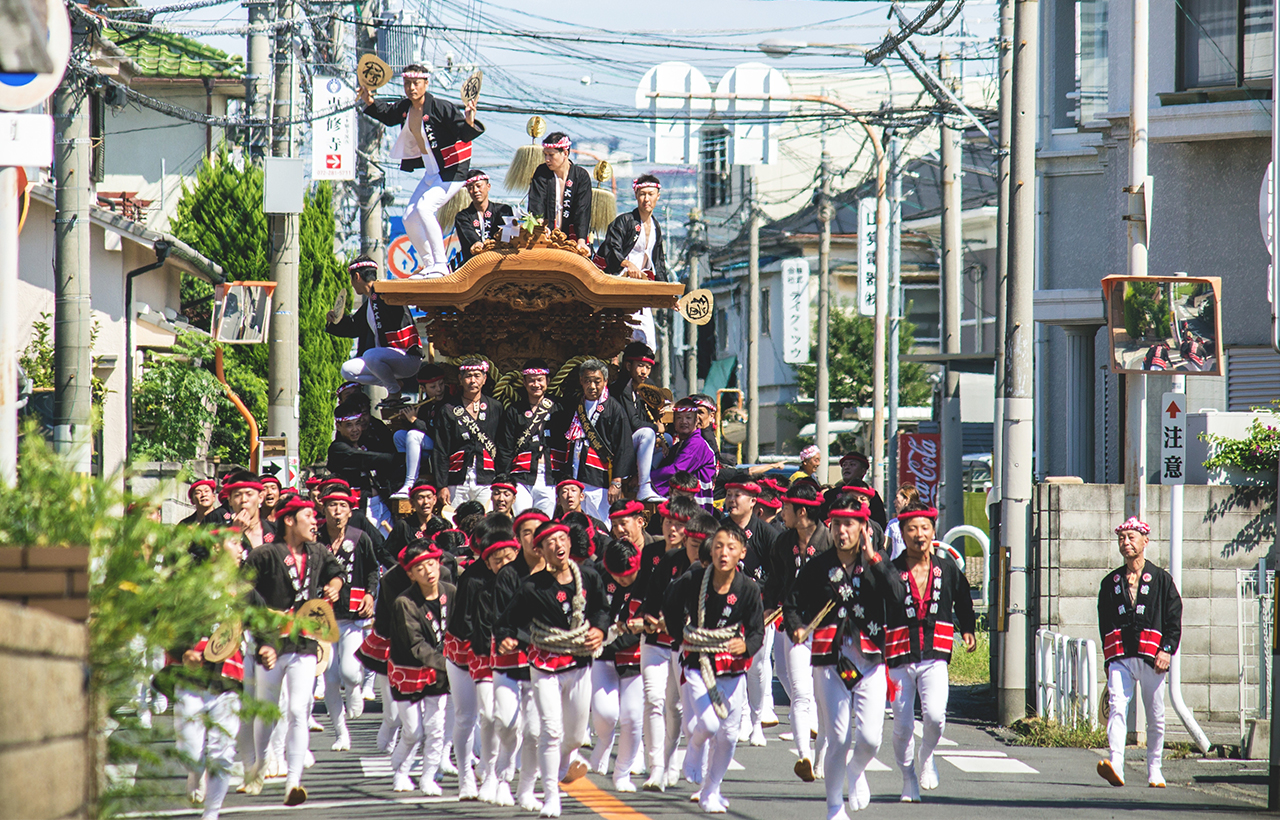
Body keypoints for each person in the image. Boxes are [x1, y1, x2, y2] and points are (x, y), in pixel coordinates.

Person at [495, 521, 611, 818]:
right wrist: (508, 639)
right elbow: (507, 622)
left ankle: (558, 769)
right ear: (540, 550)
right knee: (550, 730)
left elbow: (600, 609)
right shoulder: (532, 587)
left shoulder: (589, 576)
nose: (558, 545)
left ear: (570, 544)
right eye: (550, 542)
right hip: (544, 664)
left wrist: (598, 629)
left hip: (580, 663)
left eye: (563, 539)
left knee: (573, 737)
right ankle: (550, 795)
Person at [786, 493, 886, 819]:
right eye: (837, 524)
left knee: (870, 738)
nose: (842, 531)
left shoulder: (878, 565)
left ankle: (857, 770)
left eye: (849, 524)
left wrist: (874, 560)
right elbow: (793, 602)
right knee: (838, 738)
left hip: (870, 659)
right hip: (830, 659)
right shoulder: (818, 567)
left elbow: (895, 597)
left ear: (863, 527)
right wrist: (798, 627)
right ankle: (833, 807)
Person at [241, 497, 345, 806]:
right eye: (309, 516)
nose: (316, 521)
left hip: (303, 642)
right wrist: (263, 641)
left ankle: (294, 782)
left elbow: (335, 571)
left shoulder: (318, 552)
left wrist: (335, 586)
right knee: (268, 711)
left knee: (299, 710)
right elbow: (243, 592)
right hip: (270, 642)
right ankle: (259, 766)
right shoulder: (265, 555)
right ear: (289, 520)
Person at [872, 504, 976, 803]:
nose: (919, 535)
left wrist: (967, 627)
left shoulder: (947, 568)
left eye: (925, 528)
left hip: (936, 652)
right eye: (912, 529)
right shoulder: (890, 571)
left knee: (935, 717)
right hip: (898, 656)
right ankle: (907, 779)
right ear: (902, 535)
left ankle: (927, 756)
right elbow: (875, 608)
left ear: (934, 531)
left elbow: (964, 599)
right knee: (902, 725)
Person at [663, 522, 765, 814]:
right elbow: (670, 602)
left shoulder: (748, 587)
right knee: (706, 724)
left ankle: (711, 789)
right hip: (696, 661)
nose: (723, 553)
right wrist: (679, 633)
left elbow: (757, 630)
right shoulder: (694, 578)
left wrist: (745, 646)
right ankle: (693, 749)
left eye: (731, 547)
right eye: (718, 546)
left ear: (741, 552)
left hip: (731, 666)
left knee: (729, 735)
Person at [358, 64, 484, 278]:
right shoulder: (406, 107)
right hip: (433, 172)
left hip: (453, 171)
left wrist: (470, 119)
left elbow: (462, 131)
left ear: (426, 83)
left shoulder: (440, 107)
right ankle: (429, 264)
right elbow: (388, 115)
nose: (411, 88)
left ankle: (441, 264)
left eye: (416, 83)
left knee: (425, 208)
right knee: (408, 216)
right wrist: (369, 101)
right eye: (407, 83)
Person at [156, 540, 246, 820]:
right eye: (234, 544)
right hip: (191, 679)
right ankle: (195, 772)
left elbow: (262, 622)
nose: (241, 551)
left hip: (228, 679)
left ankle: (212, 813)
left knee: (223, 752)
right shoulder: (184, 590)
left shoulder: (244, 591)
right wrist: (182, 652)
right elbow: (165, 624)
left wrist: (269, 645)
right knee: (191, 752)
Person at [1096, 516, 1182, 789]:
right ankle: (1116, 764)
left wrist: (1167, 649)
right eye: (1122, 538)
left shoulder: (1160, 579)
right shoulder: (1111, 582)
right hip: (1121, 655)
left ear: (1145, 541)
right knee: (1117, 708)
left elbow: (1173, 617)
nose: (1126, 543)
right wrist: (1108, 659)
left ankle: (1154, 769)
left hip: (1152, 657)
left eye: (1131, 537)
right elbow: (1105, 622)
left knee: (1155, 714)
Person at [636, 495, 702, 791]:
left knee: (675, 706)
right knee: (653, 700)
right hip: (652, 639)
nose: (672, 528)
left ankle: (672, 758)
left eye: (679, 524)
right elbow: (644, 593)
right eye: (667, 522)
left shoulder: (697, 561)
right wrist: (644, 616)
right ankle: (656, 766)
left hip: (680, 642)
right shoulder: (653, 554)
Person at [491, 509, 551, 812]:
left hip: (543, 666)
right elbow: (500, 619)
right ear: (518, 538)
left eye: (540, 530)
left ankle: (527, 788)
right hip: (509, 663)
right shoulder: (508, 574)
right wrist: (511, 636)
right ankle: (502, 776)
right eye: (527, 531)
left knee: (535, 731)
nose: (534, 537)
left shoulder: (558, 573)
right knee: (506, 723)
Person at [316, 490, 380, 751]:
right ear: (324, 509)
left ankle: (355, 689)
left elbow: (374, 570)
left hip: (352, 616)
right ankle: (341, 733)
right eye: (332, 505)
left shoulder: (360, 538)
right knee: (330, 678)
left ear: (350, 511)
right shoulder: (314, 539)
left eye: (343, 506)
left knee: (350, 672)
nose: (337, 511)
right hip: (321, 620)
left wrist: (370, 595)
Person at [387, 539, 453, 793]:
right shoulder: (404, 603)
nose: (428, 570)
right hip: (409, 671)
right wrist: (449, 662)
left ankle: (428, 777)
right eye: (420, 566)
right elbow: (415, 644)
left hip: (439, 671)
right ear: (410, 574)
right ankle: (401, 771)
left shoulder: (450, 592)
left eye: (431, 563)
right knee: (413, 730)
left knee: (436, 728)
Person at [720, 478, 780, 744]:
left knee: (756, 666)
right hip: (727, 609)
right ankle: (741, 716)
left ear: (754, 502)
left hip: (761, 608)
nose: (731, 499)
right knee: (734, 665)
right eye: (729, 494)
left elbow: (779, 572)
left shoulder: (767, 534)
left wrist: (768, 602)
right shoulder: (721, 530)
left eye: (738, 495)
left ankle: (757, 720)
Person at [590, 535, 648, 792]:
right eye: (618, 576)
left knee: (633, 716)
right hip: (603, 654)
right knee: (606, 713)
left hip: (634, 656)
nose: (623, 580)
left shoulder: (649, 580)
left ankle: (622, 773)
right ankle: (603, 742)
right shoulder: (600, 578)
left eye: (628, 575)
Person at [326, 256, 424, 397]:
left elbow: (400, 287)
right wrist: (334, 321)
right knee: (347, 370)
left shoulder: (385, 292)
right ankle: (395, 384)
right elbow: (354, 326)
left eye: (351, 279)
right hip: (385, 360)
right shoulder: (370, 303)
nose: (352, 284)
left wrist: (414, 278)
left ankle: (394, 391)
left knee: (370, 355)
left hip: (407, 357)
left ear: (357, 277)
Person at [551, 360, 635, 522]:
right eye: (588, 381)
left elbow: (623, 447)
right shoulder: (575, 405)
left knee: (600, 522)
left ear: (605, 381)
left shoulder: (614, 409)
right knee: (574, 522)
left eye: (597, 381)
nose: (592, 386)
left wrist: (616, 482)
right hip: (575, 475)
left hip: (599, 478)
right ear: (581, 381)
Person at [595, 175, 668, 348]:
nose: (646, 199)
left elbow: (659, 261)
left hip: (641, 287)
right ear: (636, 195)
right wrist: (628, 264)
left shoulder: (656, 226)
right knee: (618, 339)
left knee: (648, 343)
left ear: (658, 195)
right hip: (620, 283)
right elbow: (612, 248)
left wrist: (666, 292)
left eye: (651, 194)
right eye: (642, 194)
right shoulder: (625, 221)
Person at [433, 357, 501, 509]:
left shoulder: (495, 407)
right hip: (457, 478)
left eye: (477, 376)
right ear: (460, 379)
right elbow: (441, 450)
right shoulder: (448, 409)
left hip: (487, 477)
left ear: (484, 379)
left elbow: (502, 445)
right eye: (468, 376)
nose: (472, 381)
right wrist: (442, 485)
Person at [326, 401, 401, 532]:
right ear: (338, 426)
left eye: (358, 424)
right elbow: (370, 459)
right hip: (357, 507)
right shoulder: (338, 449)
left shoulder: (366, 443)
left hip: (380, 504)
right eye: (349, 425)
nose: (355, 429)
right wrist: (403, 458)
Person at [501, 359, 562, 516]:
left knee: (545, 522)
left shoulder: (559, 409)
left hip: (549, 477)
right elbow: (506, 447)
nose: (536, 384)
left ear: (548, 381)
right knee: (523, 519)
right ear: (524, 382)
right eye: (531, 381)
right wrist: (505, 478)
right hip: (520, 476)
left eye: (540, 380)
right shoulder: (514, 410)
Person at [608, 342, 664, 503]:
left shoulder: (646, 386)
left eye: (648, 367)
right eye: (640, 366)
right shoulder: (621, 388)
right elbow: (634, 424)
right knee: (647, 433)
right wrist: (655, 427)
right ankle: (644, 486)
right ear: (627, 365)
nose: (644, 371)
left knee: (666, 439)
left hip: (635, 446)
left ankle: (639, 476)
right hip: (620, 446)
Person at [527, 132, 592, 248]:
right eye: (545, 155)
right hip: (545, 236)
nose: (547, 159)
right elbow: (537, 203)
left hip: (571, 238)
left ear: (565, 153)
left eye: (551, 155)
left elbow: (583, 210)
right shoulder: (541, 173)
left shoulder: (581, 176)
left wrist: (581, 241)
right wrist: (540, 226)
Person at [651, 398, 717, 509]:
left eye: (688, 418)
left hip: (695, 509)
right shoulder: (679, 445)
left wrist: (645, 479)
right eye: (679, 418)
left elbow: (676, 470)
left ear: (696, 421)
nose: (683, 422)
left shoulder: (697, 443)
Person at [454, 169, 515, 266]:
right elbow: (470, 239)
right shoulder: (462, 216)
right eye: (470, 187)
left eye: (479, 186)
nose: (475, 191)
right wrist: (477, 244)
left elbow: (508, 238)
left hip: (501, 263)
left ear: (488, 187)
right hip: (473, 265)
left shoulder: (504, 210)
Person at [838, 451, 888, 531]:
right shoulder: (831, 494)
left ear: (863, 471)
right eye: (844, 465)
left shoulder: (872, 496)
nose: (846, 468)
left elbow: (880, 525)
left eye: (852, 465)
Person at [884, 484, 919, 559]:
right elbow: (883, 547)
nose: (894, 502)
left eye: (897, 498)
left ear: (906, 500)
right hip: (895, 568)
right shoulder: (892, 523)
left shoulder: (920, 523)